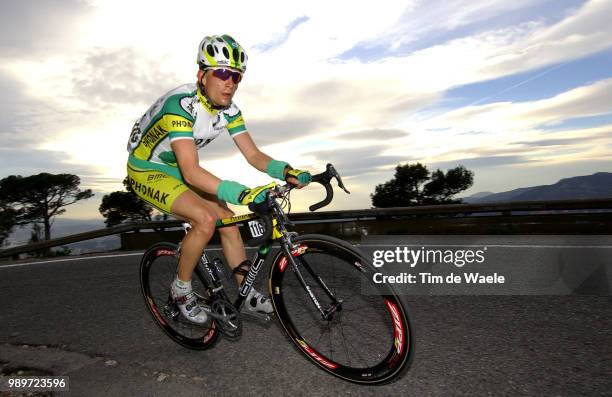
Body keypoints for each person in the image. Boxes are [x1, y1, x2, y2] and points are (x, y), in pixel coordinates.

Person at [126, 34, 311, 324]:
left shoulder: (230, 111)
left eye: (236, 77)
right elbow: (191, 171)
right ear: (202, 75)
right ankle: (180, 290)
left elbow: (253, 155)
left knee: (227, 219)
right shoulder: (181, 105)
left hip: (177, 167)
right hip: (146, 169)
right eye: (223, 73)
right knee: (205, 219)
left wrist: (286, 170)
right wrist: (244, 193)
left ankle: (245, 291)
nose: (230, 82)